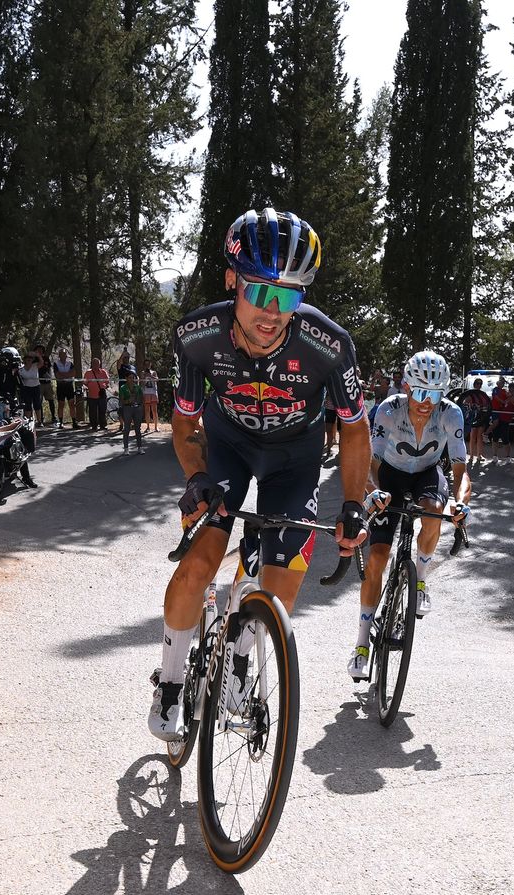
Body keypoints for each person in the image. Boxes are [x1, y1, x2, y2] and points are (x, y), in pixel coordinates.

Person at [150, 207, 370, 740]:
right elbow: (183, 423)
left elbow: (356, 432)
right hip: (226, 451)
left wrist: (353, 503)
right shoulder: (197, 336)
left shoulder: (329, 345)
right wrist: (196, 477)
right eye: (260, 293)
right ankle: (172, 681)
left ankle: (240, 661)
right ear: (232, 280)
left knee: (280, 591)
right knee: (199, 563)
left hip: (294, 463)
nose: (274, 312)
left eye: (290, 296)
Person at [348, 351, 472, 679]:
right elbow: (370, 461)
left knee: (435, 511)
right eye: (418, 392)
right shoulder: (388, 410)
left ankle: (421, 577)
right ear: (405, 386)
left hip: (427, 474)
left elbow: (460, 468)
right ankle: (361, 643)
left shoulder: (452, 414)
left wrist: (459, 502)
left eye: (434, 394)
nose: (425, 402)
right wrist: (373, 490)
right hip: (389, 473)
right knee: (376, 558)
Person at [463, 376, 490, 465]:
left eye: (480, 384)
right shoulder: (471, 394)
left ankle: (479, 455)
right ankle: (471, 455)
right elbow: (465, 403)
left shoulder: (483, 394)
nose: (478, 385)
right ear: (474, 384)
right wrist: (472, 405)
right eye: (477, 384)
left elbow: (487, 404)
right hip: (472, 416)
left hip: (481, 416)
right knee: (472, 436)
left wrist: (482, 408)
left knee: (479, 436)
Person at [119, 366, 145, 455]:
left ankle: (140, 447)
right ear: (126, 378)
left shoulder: (137, 387)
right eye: (130, 377)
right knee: (127, 428)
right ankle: (126, 448)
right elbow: (121, 401)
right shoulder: (123, 388)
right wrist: (128, 400)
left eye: (133, 378)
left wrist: (140, 406)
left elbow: (142, 398)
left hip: (137, 408)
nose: (132, 379)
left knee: (138, 429)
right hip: (127, 408)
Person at [83, 357, 110, 431]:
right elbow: (84, 383)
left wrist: (105, 386)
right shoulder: (88, 373)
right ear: (92, 364)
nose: (96, 365)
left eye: (97, 364)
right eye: (94, 364)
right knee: (93, 412)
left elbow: (107, 382)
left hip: (102, 395)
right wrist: (89, 387)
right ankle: (94, 426)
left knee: (102, 410)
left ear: (99, 364)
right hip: (92, 395)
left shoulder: (103, 372)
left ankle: (103, 425)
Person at [18, 348, 44, 425]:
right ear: (24, 360)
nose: (29, 360)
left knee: (37, 404)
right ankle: (27, 421)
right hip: (26, 388)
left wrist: (37, 355)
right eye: (27, 358)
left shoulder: (35, 366)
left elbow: (41, 362)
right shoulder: (21, 369)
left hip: (36, 387)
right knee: (28, 404)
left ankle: (39, 421)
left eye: (30, 358)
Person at [54, 347, 79, 427]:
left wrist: (63, 375)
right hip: (61, 386)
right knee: (61, 404)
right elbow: (57, 375)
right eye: (62, 354)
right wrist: (67, 374)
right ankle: (61, 422)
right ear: (59, 355)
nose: (63, 356)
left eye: (65, 354)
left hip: (69, 386)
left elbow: (73, 373)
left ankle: (74, 422)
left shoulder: (70, 363)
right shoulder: (56, 364)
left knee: (72, 404)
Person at [36, 344, 57, 425]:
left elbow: (49, 368)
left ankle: (54, 417)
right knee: (39, 401)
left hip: (47, 382)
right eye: (38, 350)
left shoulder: (46, 358)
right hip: (38, 383)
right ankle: (40, 419)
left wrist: (49, 376)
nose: (40, 351)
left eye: (41, 350)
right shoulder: (35, 359)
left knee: (51, 400)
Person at [142, 364, 160, 433]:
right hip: (146, 393)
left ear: (150, 365)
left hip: (153, 392)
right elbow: (142, 382)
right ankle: (148, 427)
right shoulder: (142, 373)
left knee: (154, 411)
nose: (147, 366)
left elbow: (157, 380)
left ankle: (156, 427)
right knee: (147, 410)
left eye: (148, 364)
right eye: (146, 363)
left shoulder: (154, 372)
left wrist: (151, 376)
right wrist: (145, 376)